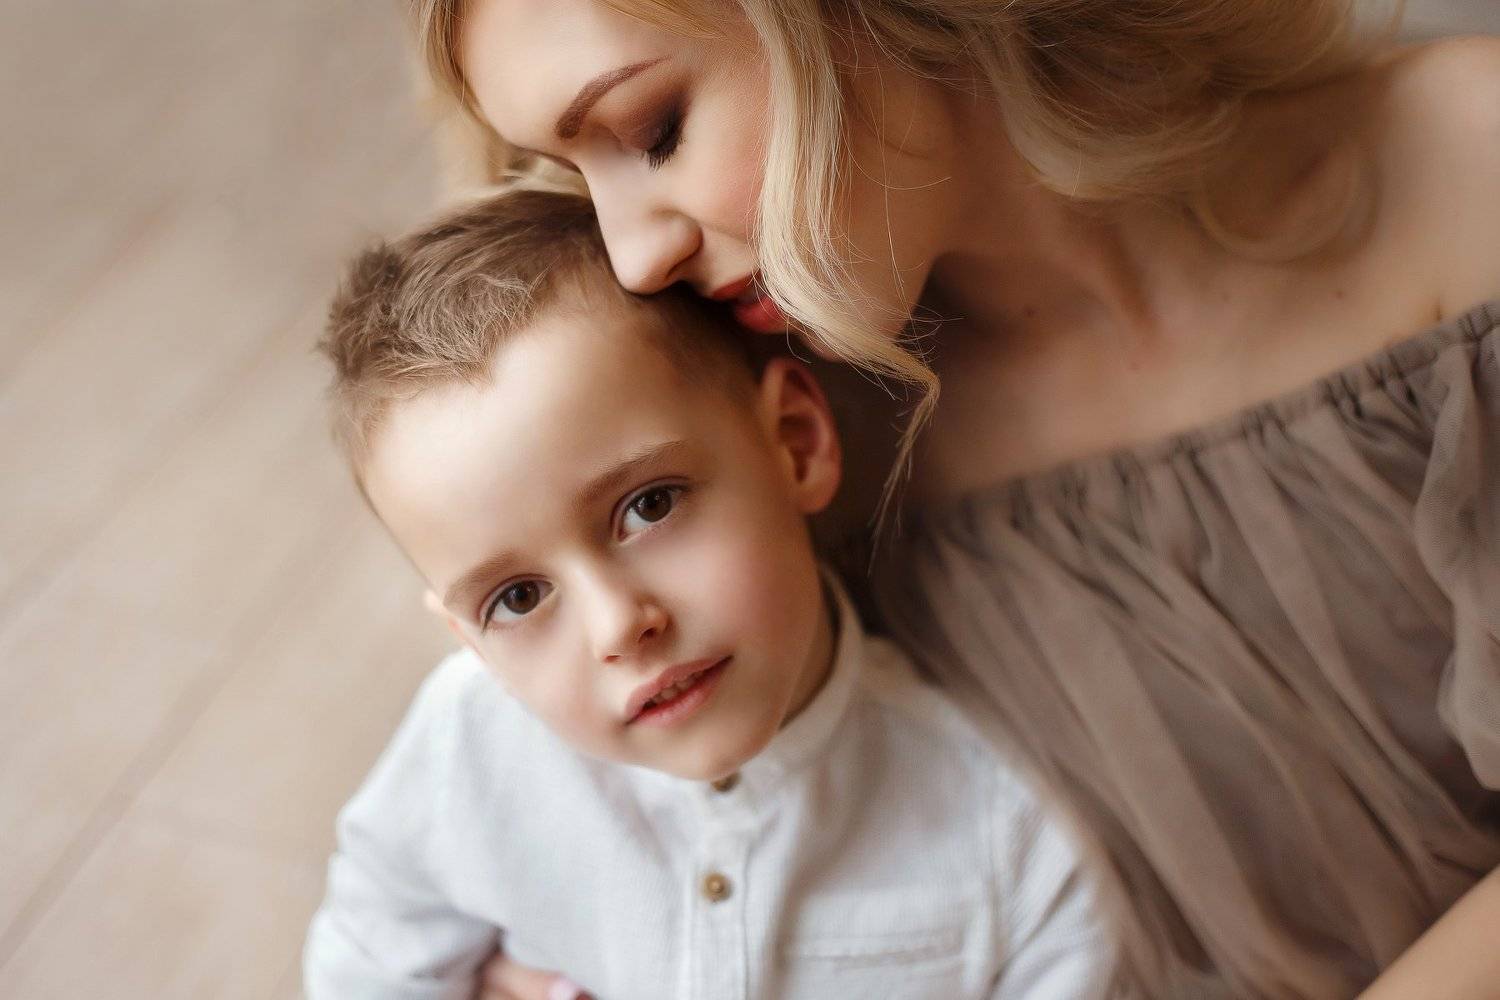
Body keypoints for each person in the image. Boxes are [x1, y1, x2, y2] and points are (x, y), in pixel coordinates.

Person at [402, 1, 1500, 997]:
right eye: (574, 173)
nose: (635, 256)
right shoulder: (780, 449)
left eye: (655, 132)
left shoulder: (1467, 161)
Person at [302, 188, 1115, 1000]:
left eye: (649, 506)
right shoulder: (462, 751)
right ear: (471, 643)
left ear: (794, 444)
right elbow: (363, 965)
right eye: (516, 599)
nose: (618, 627)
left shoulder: (1011, 830)